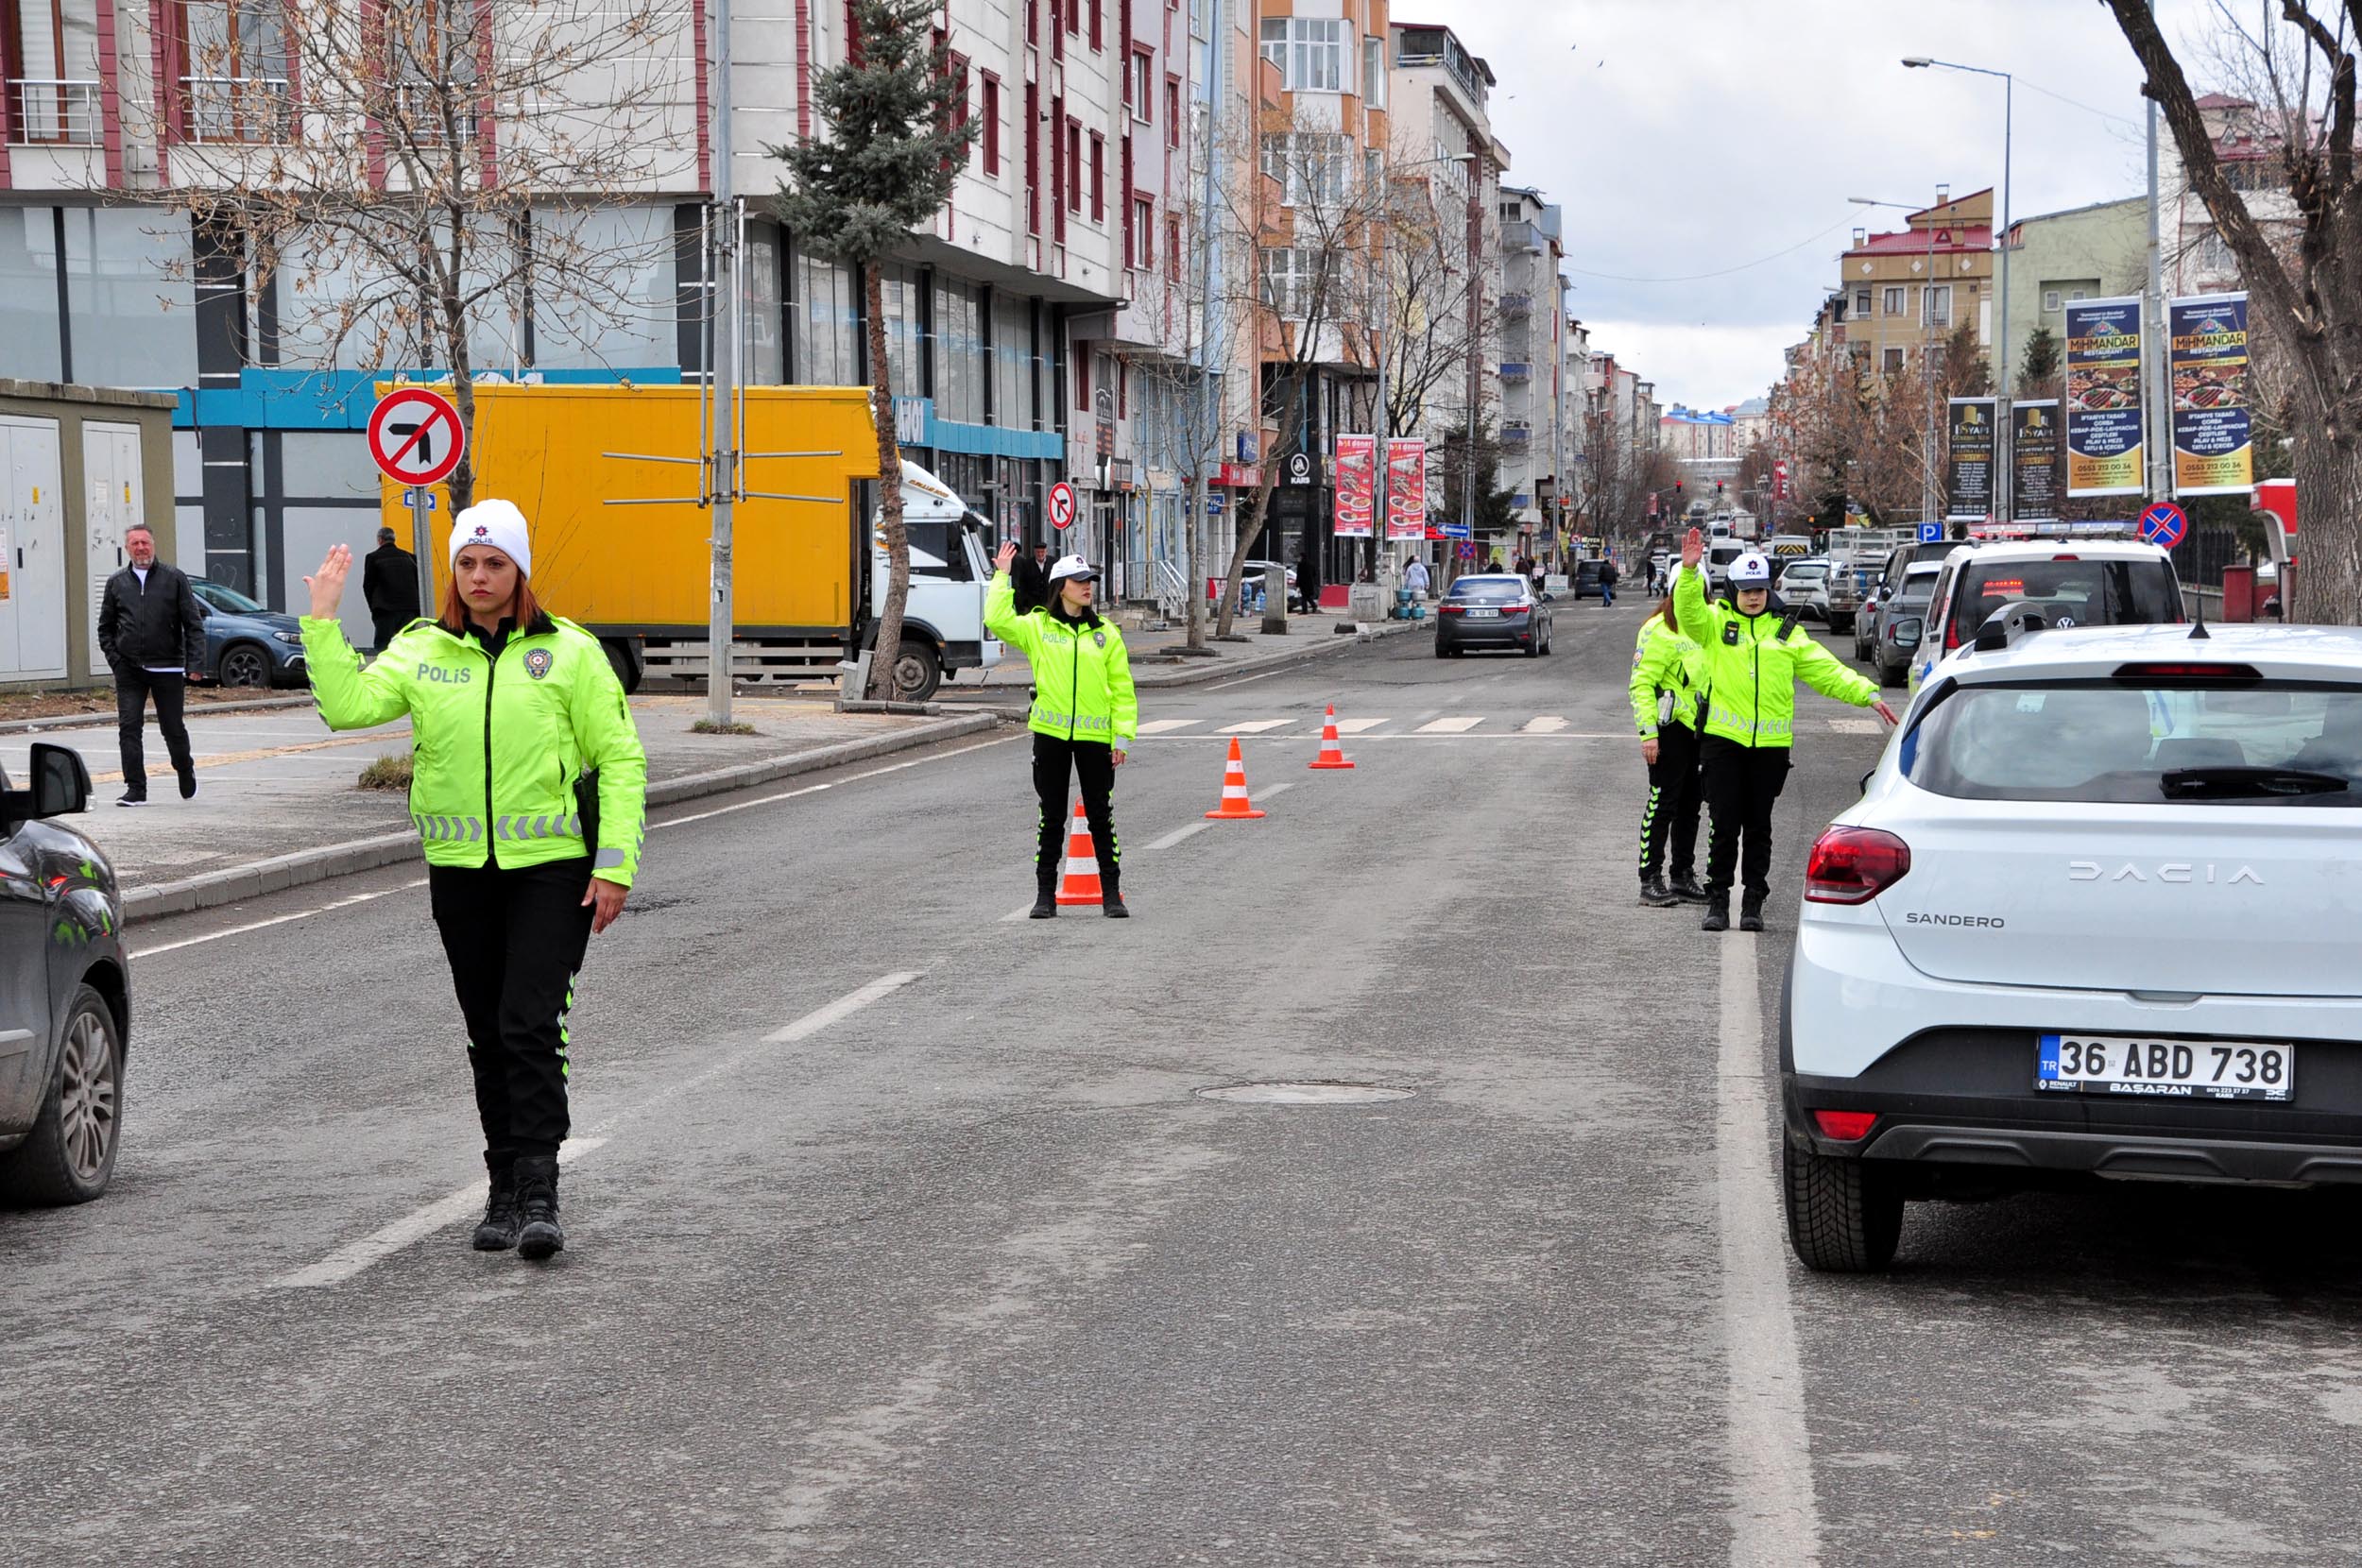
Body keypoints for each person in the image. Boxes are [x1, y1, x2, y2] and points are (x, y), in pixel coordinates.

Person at [299, 499, 648, 1260]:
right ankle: (501, 1187)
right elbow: (346, 708)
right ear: (453, 571)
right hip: (461, 873)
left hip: (552, 870)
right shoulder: (425, 649)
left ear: (519, 570)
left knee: (530, 1024)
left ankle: (541, 1190)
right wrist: (323, 621)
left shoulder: (569, 652)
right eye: (467, 563)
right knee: (487, 1032)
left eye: (495, 563)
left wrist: (615, 863)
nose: (480, 575)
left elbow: (620, 759)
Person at [1673, 527, 1895, 933]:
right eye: (1745, 590)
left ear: (1768, 591)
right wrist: (1688, 573)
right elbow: (1688, 613)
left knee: (1759, 826)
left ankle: (1753, 901)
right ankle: (1719, 901)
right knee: (1724, 826)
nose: (1753, 597)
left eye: (1759, 589)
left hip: (1770, 748)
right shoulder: (1715, 626)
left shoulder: (1786, 633)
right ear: (1732, 591)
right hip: (1723, 744)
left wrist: (1868, 694)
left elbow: (1827, 671)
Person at [986, 541, 1138, 919]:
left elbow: (1122, 690)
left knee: (1100, 815)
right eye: (1079, 580)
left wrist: (1121, 738)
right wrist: (1002, 576)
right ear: (1060, 586)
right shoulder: (1038, 627)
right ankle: (1044, 896)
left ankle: (1111, 895)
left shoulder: (1106, 634)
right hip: (1051, 736)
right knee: (1051, 816)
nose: (1087, 587)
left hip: (1094, 739)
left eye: (1090, 580)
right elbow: (997, 620)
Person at [95, 522, 205, 808]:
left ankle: (184, 767)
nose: (141, 548)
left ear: (153, 545)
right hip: (129, 670)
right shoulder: (117, 582)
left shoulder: (174, 578)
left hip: (167, 668)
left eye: (145, 542)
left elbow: (193, 624)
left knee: (172, 728)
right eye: (135, 544)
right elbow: (105, 627)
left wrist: (195, 662)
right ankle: (135, 788)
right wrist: (116, 661)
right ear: (127, 548)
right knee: (129, 727)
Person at [1630, 590, 1708, 908]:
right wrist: (1649, 734)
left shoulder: (1707, 626)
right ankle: (1650, 878)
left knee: (1691, 805)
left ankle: (1682, 874)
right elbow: (1641, 685)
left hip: (1700, 728)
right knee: (1663, 804)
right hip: (1668, 729)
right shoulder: (1657, 629)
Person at [362, 526, 420, 652]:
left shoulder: (373, 557)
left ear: (380, 540)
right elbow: (418, 583)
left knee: (382, 646)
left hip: (385, 609)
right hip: (409, 609)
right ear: (394, 540)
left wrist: (373, 607)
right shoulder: (410, 557)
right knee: (407, 645)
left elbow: (368, 585)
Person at [1010, 540, 1053, 614]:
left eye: (1042, 552)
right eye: (1038, 552)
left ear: (1046, 552)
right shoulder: (1027, 564)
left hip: (1049, 603)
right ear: (1034, 552)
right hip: (1031, 605)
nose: (1040, 554)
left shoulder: (1054, 562)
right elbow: (1022, 583)